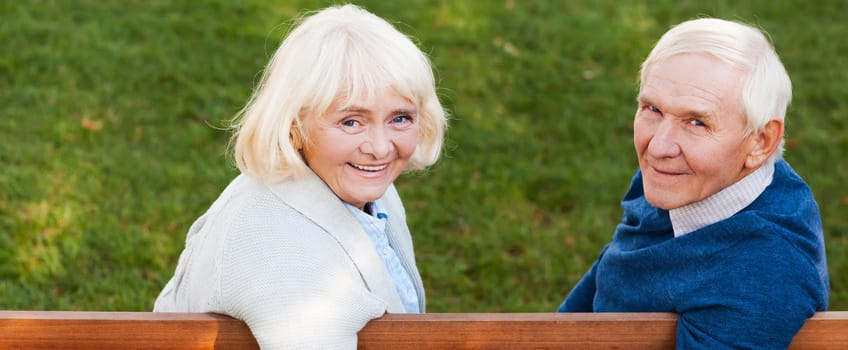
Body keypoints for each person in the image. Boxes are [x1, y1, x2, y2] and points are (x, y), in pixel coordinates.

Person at [153, 4, 447, 349]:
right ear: (293, 126)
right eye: (351, 121)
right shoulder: (282, 255)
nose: (381, 148)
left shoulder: (365, 188)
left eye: (400, 118)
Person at [558, 18, 828, 349]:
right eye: (653, 108)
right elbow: (619, 260)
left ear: (760, 142)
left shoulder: (762, 274)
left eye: (696, 122)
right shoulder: (687, 176)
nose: (657, 148)